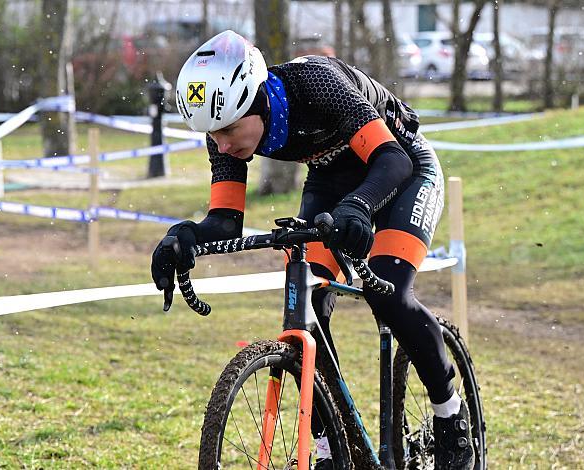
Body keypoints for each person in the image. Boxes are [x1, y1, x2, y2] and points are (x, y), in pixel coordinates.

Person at [151, 30, 474, 469]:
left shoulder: (316, 84)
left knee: (388, 291)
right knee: (308, 302)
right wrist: (184, 238)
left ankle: (451, 419)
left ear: (255, 100)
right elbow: (225, 221)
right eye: (213, 134)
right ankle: (333, 447)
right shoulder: (224, 132)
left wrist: (360, 207)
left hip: (401, 166)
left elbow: (392, 160)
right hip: (331, 178)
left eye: (227, 129)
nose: (222, 144)